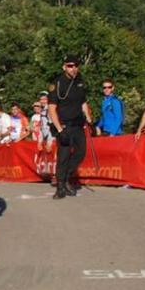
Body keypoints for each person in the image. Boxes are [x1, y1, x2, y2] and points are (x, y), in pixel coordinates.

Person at [48, 55, 94, 199]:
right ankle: (60, 186)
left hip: (78, 124)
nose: (73, 68)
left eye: (75, 66)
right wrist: (60, 130)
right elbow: (51, 108)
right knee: (63, 156)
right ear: (64, 67)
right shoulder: (58, 83)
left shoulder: (80, 81)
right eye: (70, 66)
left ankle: (67, 177)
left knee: (81, 153)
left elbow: (83, 102)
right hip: (64, 125)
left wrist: (88, 117)